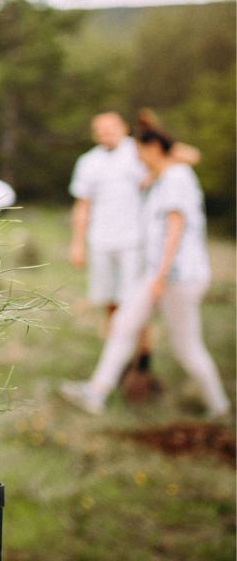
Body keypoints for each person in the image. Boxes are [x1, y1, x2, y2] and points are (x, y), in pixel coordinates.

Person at [60, 114, 231, 419]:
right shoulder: (161, 178)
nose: (139, 160)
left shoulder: (177, 178)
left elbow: (175, 229)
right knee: (124, 324)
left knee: (187, 347)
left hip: (177, 278)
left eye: (141, 154)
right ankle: (95, 393)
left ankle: (219, 407)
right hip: (158, 275)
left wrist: (160, 277)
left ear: (153, 149)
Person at [68, 111, 198, 391]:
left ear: (123, 128)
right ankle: (118, 361)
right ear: (94, 134)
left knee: (135, 303)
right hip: (100, 240)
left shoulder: (139, 150)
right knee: (110, 302)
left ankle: (142, 361)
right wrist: (77, 243)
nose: (107, 134)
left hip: (134, 242)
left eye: (111, 128)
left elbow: (189, 156)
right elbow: (82, 205)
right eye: (101, 130)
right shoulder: (88, 162)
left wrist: (159, 135)